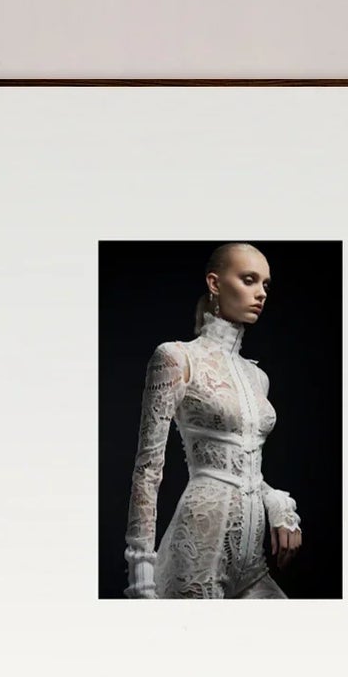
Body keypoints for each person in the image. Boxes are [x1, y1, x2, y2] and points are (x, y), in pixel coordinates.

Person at [123, 242, 301, 598]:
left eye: (265, 285)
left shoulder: (257, 377)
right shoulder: (176, 357)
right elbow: (148, 470)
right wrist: (140, 574)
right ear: (215, 283)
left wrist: (278, 502)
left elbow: (243, 468)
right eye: (248, 280)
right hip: (198, 551)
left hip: (252, 562)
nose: (260, 293)